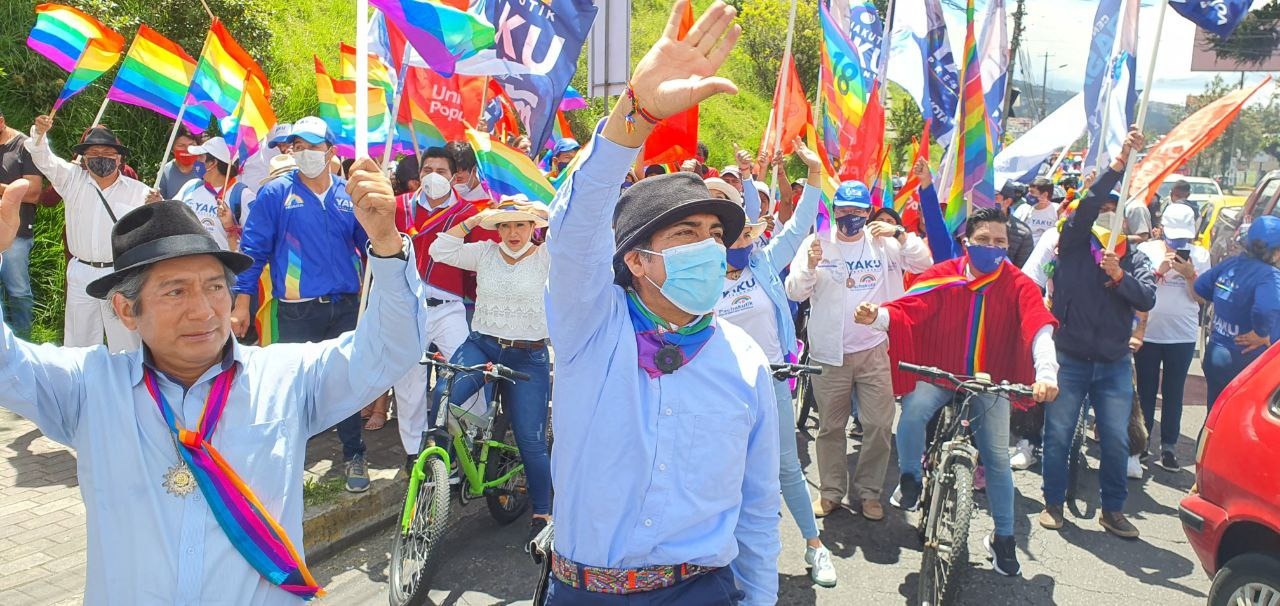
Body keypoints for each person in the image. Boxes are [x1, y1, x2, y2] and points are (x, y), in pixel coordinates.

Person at [0, 156, 425, 602]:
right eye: (175, 291)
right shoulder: (88, 388)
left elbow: (391, 350)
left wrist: (386, 244)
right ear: (126, 310)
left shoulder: (285, 379)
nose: (203, 311)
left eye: (215, 287)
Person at [543, 2, 780, 602]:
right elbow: (575, 233)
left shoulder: (746, 358)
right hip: (583, 590)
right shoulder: (589, 330)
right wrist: (636, 117)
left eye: (717, 235)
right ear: (635, 262)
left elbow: (757, 505)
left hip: (701, 589)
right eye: (684, 235)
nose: (708, 248)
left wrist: (760, 596)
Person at [855, 206, 1060, 577]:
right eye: (984, 240)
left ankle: (1003, 538)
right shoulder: (943, 275)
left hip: (990, 381)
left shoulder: (1018, 285)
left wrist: (1046, 371)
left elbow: (1040, 326)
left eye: (1001, 242)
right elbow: (907, 309)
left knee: (997, 459)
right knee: (914, 411)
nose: (993, 247)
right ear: (967, 242)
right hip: (938, 373)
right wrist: (878, 316)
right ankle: (911, 478)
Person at [714, 138, 837, 588]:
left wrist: (814, 173)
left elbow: (802, 218)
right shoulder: (703, 277)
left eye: (751, 233)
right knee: (725, 468)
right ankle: (719, 553)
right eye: (738, 235)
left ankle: (814, 546)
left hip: (773, 380)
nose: (747, 240)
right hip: (723, 386)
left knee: (787, 467)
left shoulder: (765, 262)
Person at [230, 116, 371, 493]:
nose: (305, 154)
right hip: (296, 309)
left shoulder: (347, 196)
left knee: (346, 384)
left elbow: (370, 248)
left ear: (330, 152)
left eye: (313, 146)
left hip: (344, 306)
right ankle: (286, 461)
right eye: (298, 147)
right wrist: (241, 305)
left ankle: (354, 455)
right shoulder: (275, 194)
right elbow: (252, 252)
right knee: (291, 385)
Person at [787, 178, 932, 522]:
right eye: (843, 210)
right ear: (834, 210)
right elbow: (794, 291)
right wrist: (809, 264)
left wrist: (899, 234)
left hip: (874, 349)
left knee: (879, 425)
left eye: (857, 211)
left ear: (868, 213)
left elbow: (924, 263)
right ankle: (832, 492)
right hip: (829, 355)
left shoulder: (882, 243)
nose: (850, 216)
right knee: (831, 428)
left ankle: (869, 493)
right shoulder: (816, 242)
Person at [1039, 127, 1157, 540]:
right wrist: (1117, 167)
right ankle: (1052, 503)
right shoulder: (1071, 243)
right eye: (1103, 206)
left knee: (1114, 441)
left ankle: (1113, 510)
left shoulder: (1134, 257)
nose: (1107, 212)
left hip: (1113, 364)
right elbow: (1086, 206)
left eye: (1115, 207)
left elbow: (1147, 297)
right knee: (1055, 436)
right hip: (1070, 358)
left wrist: (1119, 276)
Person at [428, 196, 553, 544]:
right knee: (442, 397)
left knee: (531, 440)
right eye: (506, 225)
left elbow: (578, 241)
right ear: (497, 229)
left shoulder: (547, 257)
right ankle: (439, 474)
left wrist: (545, 214)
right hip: (482, 347)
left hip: (529, 356)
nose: (513, 233)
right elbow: (440, 250)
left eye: (521, 225)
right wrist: (472, 221)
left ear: (533, 228)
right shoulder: (483, 251)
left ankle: (542, 512)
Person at [390, 147, 498, 470]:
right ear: (417, 176)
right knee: (408, 385)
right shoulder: (399, 209)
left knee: (470, 373)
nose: (433, 176)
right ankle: (414, 451)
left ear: (454, 176)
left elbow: (484, 260)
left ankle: (474, 438)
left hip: (449, 308)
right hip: (409, 309)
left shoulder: (469, 214)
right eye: (427, 170)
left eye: (441, 170)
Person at [27, 115, 148, 351]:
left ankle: (126, 384)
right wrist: (40, 133)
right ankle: (81, 385)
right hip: (81, 271)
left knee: (125, 341)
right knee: (79, 341)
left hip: (119, 274)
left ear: (119, 157)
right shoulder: (71, 180)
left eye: (107, 152)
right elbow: (44, 158)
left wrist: (157, 203)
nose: (100, 157)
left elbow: (155, 227)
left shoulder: (140, 192)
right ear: (84, 158)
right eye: (93, 152)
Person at [1133, 203, 1210, 472]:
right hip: (1149, 333)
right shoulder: (1146, 251)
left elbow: (1200, 299)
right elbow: (1137, 292)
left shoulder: (1200, 255)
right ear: (1162, 228)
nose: (1178, 243)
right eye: (1173, 237)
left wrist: (1191, 276)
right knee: (1145, 391)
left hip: (1182, 334)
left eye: (1183, 239)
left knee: (1174, 393)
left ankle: (1168, 446)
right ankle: (1141, 445)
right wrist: (1160, 271)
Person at [1194, 215, 1280, 409]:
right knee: (1242, 420)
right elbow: (1267, 307)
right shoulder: (1269, 275)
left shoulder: (1231, 265)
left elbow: (1200, 287)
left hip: (1217, 355)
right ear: (1275, 252)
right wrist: (1261, 332)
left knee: (1215, 415)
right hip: (1248, 363)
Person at [0, 110, 44, 339]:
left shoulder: (23, 146)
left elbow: (34, 191)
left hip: (16, 233)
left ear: (2, 120)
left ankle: (24, 341)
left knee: (17, 289)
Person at [173, 136, 253, 252]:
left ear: (212, 163)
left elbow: (255, 241)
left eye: (201, 157)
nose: (196, 160)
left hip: (222, 267)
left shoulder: (242, 195)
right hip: (188, 264)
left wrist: (230, 228)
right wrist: (157, 203)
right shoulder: (191, 186)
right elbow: (171, 218)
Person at [156, 128, 207, 200]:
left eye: (191, 144)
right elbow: (159, 203)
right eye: (181, 145)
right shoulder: (164, 172)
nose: (187, 149)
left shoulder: (206, 169)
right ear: (171, 148)